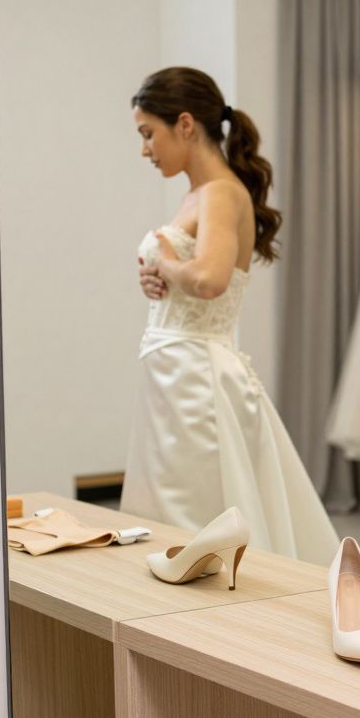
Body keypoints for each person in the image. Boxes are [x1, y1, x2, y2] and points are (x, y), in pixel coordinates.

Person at [120, 67, 339, 565]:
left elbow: (210, 279)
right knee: (176, 503)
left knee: (195, 507)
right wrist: (158, 281)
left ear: (184, 124)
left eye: (148, 133)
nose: (145, 149)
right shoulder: (198, 194)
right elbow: (192, 276)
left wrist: (166, 265)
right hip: (174, 369)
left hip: (196, 374)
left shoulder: (220, 191)